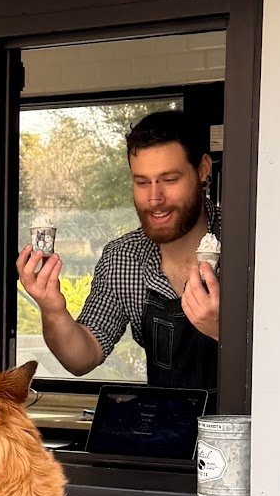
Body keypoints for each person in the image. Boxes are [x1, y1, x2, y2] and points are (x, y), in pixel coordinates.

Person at [17, 109, 220, 389]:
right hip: (166, 428)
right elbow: (82, 357)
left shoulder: (251, 248)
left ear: (203, 170)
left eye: (170, 180)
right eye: (142, 182)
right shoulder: (124, 257)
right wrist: (52, 310)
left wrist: (224, 330)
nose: (154, 198)